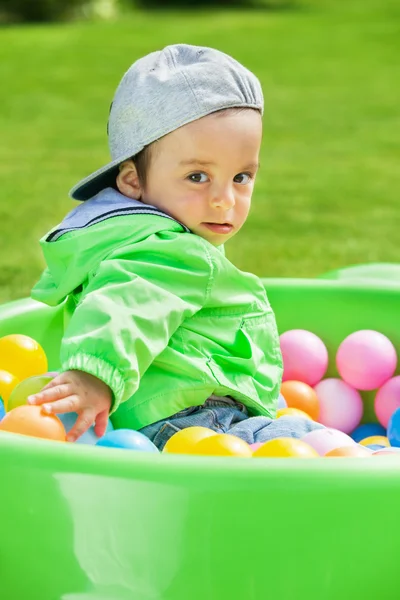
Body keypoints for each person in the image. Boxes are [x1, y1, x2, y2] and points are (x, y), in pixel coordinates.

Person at [28, 44, 322, 448]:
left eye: (241, 176)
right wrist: (93, 374)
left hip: (148, 425)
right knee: (320, 447)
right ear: (132, 180)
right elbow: (129, 302)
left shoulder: (127, 233)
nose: (224, 199)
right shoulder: (169, 250)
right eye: (198, 177)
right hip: (197, 422)